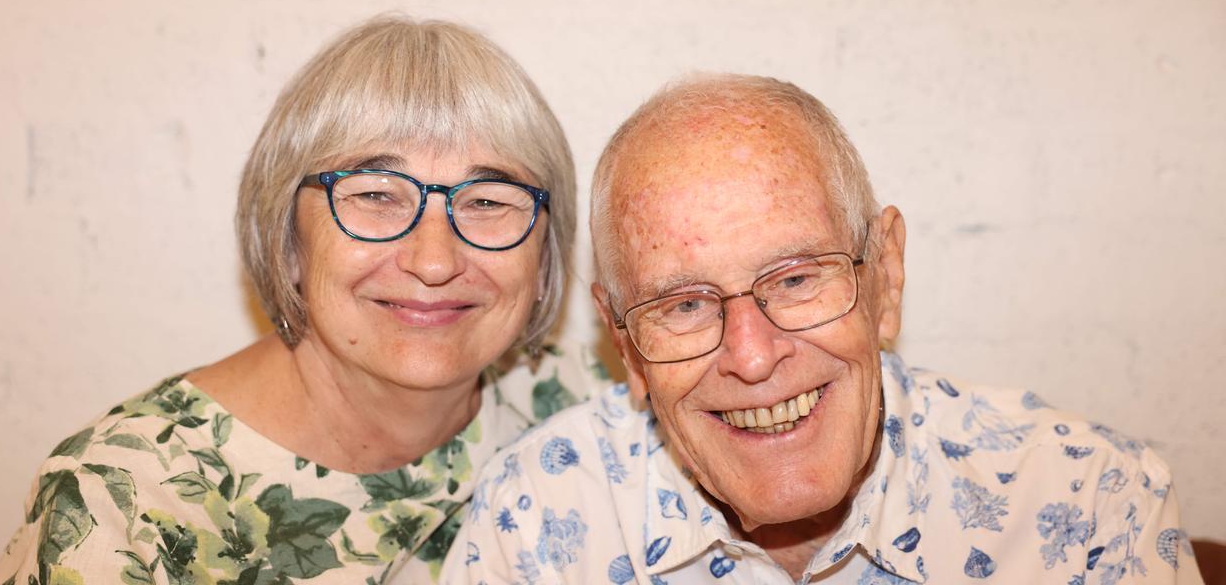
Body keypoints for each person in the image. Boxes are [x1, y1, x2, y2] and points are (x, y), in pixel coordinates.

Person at [443, 74, 1202, 584]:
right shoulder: (538, 517)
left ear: (885, 277)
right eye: (683, 305)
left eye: (798, 279)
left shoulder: (1094, 500)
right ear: (624, 342)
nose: (751, 356)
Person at [0, 16, 603, 584]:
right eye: (376, 195)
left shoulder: (606, 418)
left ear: (545, 254)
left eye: (487, 201)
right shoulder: (126, 505)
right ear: (288, 239)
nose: (435, 260)